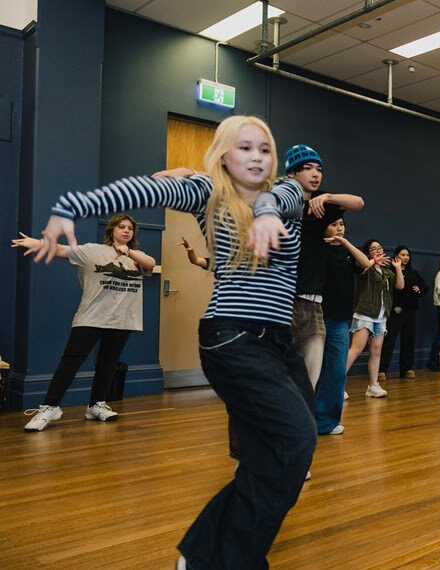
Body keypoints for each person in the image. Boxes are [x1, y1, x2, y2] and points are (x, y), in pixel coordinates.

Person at [25, 115, 316, 568]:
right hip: (232, 336)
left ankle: (201, 554)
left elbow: (280, 197)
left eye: (264, 148)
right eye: (244, 147)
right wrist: (69, 204)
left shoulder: (290, 194)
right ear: (223, 154)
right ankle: (221, 558)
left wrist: (264, 212)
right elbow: (141, 191)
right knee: (292, 443)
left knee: (287, 453)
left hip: (280, 340)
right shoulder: (205, 193)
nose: (257, 156)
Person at [16, 215, 155, 431]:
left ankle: (96, 405)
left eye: (130, 228)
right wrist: (37, 243)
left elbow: (151, 264)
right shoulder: (91, 251)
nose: (126, 231)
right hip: (92, 316)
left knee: (107, 363)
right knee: (70, 362)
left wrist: (129, 252)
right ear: (112, 230)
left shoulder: (137, 257)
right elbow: (61, 250)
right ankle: (50, 407)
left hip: (122, 320)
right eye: (121, 227)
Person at [284, 144, 365, 394]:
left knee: (311, 378)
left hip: (314, 304)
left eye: (319, 169)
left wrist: (328, 197)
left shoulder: (321, 208)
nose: (315, 174)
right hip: (285, 301)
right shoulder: (280, 204)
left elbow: (358, 202)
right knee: (282, 375)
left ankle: (304, 429)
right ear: (292, 174)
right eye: (307, 168)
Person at [314, 208, 372, 435]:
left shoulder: (347, 253)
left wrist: (345, 243)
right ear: (324, 227)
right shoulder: (316, 248)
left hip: (339, 319)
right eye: (334, 224)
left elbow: (366, 263)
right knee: (311, 371)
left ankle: (326, 422)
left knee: (337, 371)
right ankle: (305, 419)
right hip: (315, 316)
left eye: (342, 224)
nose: (339, 228)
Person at [347, 239, 403, 398]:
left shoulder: (386, 272)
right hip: (365, 313)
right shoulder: (366, 268)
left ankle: (373, 386)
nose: (378, 250)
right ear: (368, 253)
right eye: (373, 249)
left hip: (381, 317)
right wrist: (373, 261)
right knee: (356, 349)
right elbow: (362, 266)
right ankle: (335, 384)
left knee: (376, 351)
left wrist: (398, 268)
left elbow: (400, 286)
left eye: (380, 248)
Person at [379, 245, 427, 382]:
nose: (405, 258)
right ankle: (382, 369)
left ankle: (406, 368)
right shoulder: (390, 272)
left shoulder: (414, 273)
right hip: (396, 310)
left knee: (408, 340)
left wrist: (420, 289)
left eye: (407, 255)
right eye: (402, 255)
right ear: (396, 257)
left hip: (410, 310)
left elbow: (425, 288)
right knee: (389, 340)